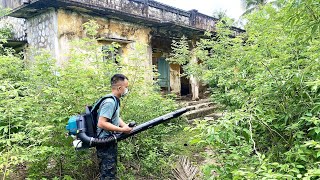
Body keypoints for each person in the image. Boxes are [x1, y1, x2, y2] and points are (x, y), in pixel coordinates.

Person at [96, 74, 132, 180]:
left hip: (110, 141)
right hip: (104, 142)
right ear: (119, 88)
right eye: (126, 87)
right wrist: (122, 130)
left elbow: (115, 117)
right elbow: (102, 123)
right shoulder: (110, 102)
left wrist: (125, 126)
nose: (127, 90)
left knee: (110, 172)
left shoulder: (115, 100)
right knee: (108, 175)